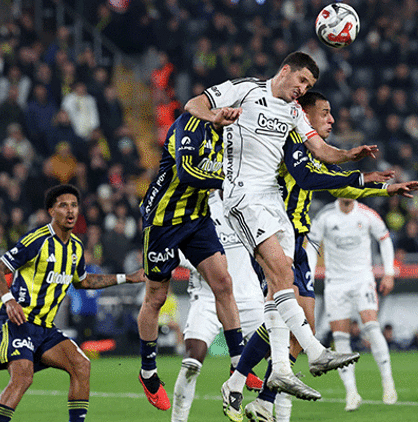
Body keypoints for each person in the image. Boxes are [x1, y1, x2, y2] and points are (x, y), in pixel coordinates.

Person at [185, 52, 377, 417]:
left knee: (280, 285)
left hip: (274, 201)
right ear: (285, 71)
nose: (302, 89)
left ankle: (269, 375)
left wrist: (350, 155)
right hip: (242, 196)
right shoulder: (246, 89)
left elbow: (320, 149)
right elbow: (194, 104)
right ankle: (315, 351)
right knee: (280, 271)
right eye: (301, 81)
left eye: (308, 86)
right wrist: (214, 117)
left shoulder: (292, 112)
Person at [226, 91, 418, 422]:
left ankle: (259, 397)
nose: (331, 119)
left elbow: (337, 186)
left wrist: (383, 189)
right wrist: (360, 176)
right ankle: (247, 388)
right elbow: (313, 178)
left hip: (298, 241)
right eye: (325, 112)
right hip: (273, 237)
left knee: (299, 327)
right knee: (289, 319)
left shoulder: (311, 151)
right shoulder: (289, 142)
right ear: (305, 115)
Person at [0, 184, 144, 422]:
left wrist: (127, 278)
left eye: (74, 205)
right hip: (17, 321)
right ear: (51, 211)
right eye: (63, 206)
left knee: (81, 365)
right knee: (23, 377)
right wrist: (9, 301)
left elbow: (84, 281)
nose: (70, 211)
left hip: (44, 327)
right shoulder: (37, 240)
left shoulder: (76, 248)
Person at [138, 111, 246, 411]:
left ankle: (239, 364)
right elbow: (186, 173)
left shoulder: (230, 135)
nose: (234, 113)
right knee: (156, 297)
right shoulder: (188, 125)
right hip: (163, 219)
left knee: (223, 282)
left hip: (197, 217)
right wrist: (226, 180)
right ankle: (148, 372)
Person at [171, 191, 265, 422]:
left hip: (249, 296)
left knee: (281, 359)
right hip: (208, 296)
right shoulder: (200, 207)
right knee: (192, 362)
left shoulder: (250, 203)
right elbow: (177, 249)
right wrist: (202, 261)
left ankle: (276, 414)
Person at [308, 197, 399, 411]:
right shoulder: (325, 216)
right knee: (340, 338)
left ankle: (388, 382)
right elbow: (311, 245)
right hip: (336, 283)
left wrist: (389, 273)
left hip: (362, 280)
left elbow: (385, 238)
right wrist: (309, 277)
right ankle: (351, 392)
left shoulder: (367, 214)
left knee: (372, 327)